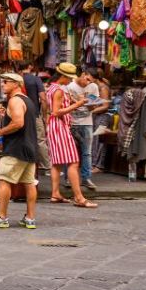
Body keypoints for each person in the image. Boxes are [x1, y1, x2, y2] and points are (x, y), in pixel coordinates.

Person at [0, 73, 38, 229]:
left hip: (16, 148)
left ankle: (1, 216)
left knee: (4, 180)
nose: (2, 84)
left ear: (16, 84)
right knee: (29, 183)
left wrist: (0, 132)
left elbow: (18, 122)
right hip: (30, 147)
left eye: (6, 82)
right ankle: (30, 218)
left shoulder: (15, 100)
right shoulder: (28, 101)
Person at [46, 63, 98, 208]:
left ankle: (55, 194)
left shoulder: (52, 88)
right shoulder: (59, 91)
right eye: (69, 78)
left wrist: (79, 101)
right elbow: (56, 111)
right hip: (60, 126)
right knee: (73, 161)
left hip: (54, 126)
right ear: (63, 76)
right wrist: (77, 104)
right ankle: (79, 198)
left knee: (57, 163)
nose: (70, 81)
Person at [67, 66, 101, 190]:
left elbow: (94, 106)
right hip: (72, 121)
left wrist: (91, 103)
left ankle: (86, 178)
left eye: (90, 81)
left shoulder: (93, 87)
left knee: (87, 152)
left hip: (87, 122)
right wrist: (77, 102)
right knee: (70, 152)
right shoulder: (70, 86)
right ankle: (68, 178)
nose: (88, 83)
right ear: (82, 74)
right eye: (87, 79)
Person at [21, 61, 51, 171]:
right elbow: (43, 99)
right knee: (40, 139)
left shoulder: (17, 79)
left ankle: (25, 163)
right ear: (30, 66)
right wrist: (45, 115)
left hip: (19, 113)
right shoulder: (36, 79)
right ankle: (46, 166)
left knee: (22, 138)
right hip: (34, 113)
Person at [91, 75, 113, 173]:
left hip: (104, 117)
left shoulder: (103, 88)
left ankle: (99, 166)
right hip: (98, 116)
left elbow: (106, 106)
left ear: (95, 78)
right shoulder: (97, 88)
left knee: (99, 141)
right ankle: (94, 164)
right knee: (95, 140)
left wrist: (91, 112)